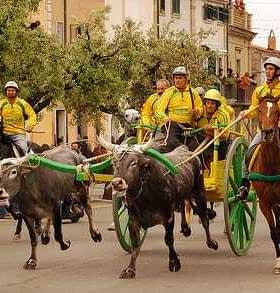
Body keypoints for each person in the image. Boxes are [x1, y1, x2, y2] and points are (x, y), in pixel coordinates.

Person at [238, 57, 280, 199]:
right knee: (248, 155)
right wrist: (246, 113)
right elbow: (254, 110)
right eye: (267, 69)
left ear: (277, 71)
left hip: (278, 129)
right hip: (262, 131)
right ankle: (244, 186)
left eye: (271, 69)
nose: (268, 72)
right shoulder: (259, 91)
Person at [155, 66, 203, 152]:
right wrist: (165, 118)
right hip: (172, 125)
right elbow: (159, 110)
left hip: (188, 127)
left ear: (186, 79)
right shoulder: (169, 92)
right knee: (171, 141)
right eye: (176, 78)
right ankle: (184, 152)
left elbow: (201, 108)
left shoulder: (193, 93)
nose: (177, 80)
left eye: (180, 78)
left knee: (197, 149)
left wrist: (198, 111)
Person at [0, 81, 37, 155]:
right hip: (3, 134)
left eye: (13, 90)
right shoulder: (1, 103)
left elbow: (32, 115)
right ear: (6, 92)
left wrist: (29, 125)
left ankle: (32, 161)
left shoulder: (23, 103)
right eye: (9, 90)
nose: (10, 92)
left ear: (16, 92)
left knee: (25, 151)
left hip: (18, 134)